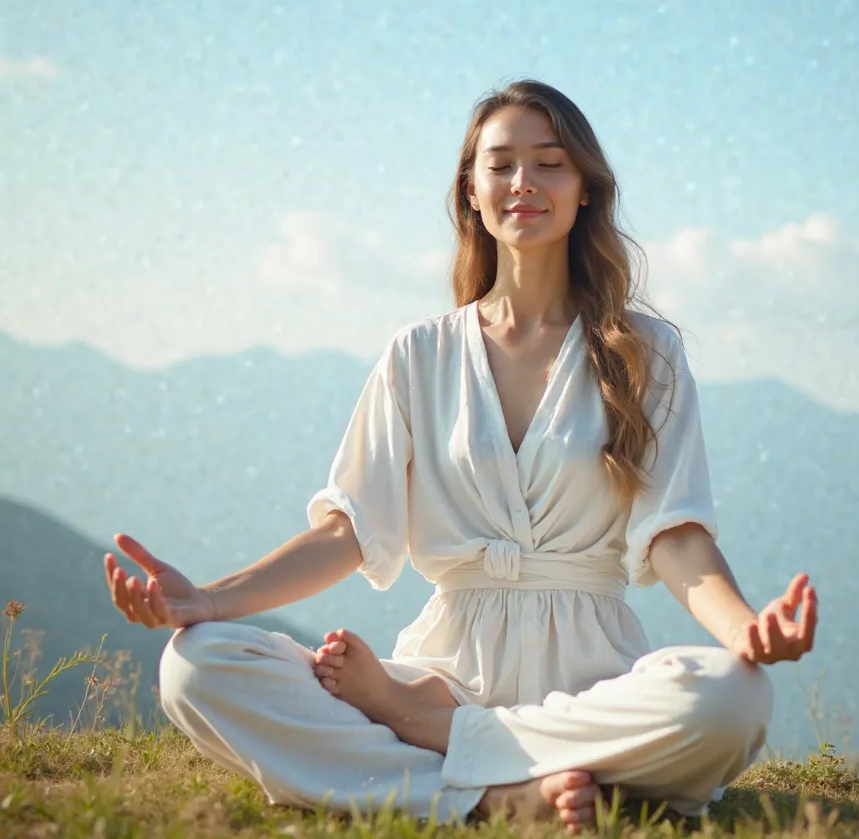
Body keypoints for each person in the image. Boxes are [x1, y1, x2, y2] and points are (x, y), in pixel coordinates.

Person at [104, 80, 817, 834]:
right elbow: (351, 530)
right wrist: (208, 602)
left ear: (584, 192)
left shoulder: (647, 352)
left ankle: (443, 749)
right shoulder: (419, 354)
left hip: (589, 688)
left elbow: (675, 533)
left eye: (550, 163)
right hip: (441, 667)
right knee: (197, 666)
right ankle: (517, 794)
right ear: (471, 192)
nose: (524, 183)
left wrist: (743, 632)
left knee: (735, 696)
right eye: (501, 164)